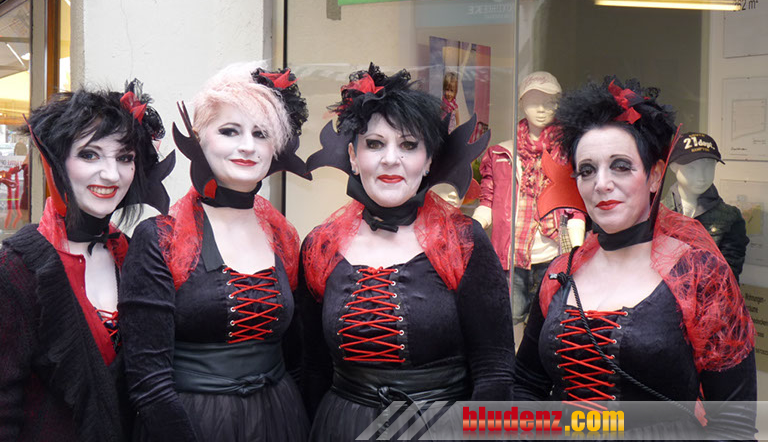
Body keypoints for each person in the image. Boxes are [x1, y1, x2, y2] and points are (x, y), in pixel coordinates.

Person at [514, 78, 756, 438]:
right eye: (587, 170)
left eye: (621, 166)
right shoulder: (560, 273)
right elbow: (526, 383)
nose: (601, 184)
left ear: (654, 176)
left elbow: (733, 422)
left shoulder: (699, 275)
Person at [301, 63, 514, 441]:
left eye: (409, 145)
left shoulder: (463, 241)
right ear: (353, 156)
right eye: (374, 144)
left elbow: (494, 369)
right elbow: (312, 367)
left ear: (429, 160)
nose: (390, 159)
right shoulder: (322, 245)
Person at [119, 63, 310, 442]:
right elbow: (147, 379)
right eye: (229, 131)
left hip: (281, 420)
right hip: (192, 425)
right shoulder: (159, 238)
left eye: (261, 133)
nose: (248, 146)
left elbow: (297, 357)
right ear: (199, 137)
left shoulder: (283, 235)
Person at [0, 81, 173, 442]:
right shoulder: (16, 269)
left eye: (124, 158)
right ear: (56, 161)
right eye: (90, 155)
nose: (111, 175)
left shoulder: (133, 254)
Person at [473, 71, 584, 323]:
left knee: (548, 322)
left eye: (549, 102)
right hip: (512, 258)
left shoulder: (568, 154)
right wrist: (472, 228)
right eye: (534, 102)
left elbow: (575, 206)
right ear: (522, 104)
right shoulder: (501, 154)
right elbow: (487, 201)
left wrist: (575, 252)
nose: (542, 109)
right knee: (510, 320)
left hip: (552, 256)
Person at [665, 132, 749, 282]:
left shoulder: (730, 217)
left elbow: (729, 276)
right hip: (662, 294)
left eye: (708, 167)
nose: (701, 177)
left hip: (710, 294)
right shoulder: (656, 214)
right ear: (673, 166)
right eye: (692, 168)